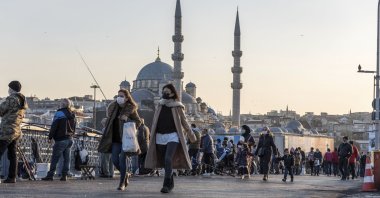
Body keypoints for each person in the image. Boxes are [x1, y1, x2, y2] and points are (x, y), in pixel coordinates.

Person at [145, 84, 196, 193]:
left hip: (173, 136)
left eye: (167, 92)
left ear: (172, 93)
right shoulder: (159, 105)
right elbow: (155, 121)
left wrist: (191, 135)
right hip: (159, 136)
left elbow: (184, 122)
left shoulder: (177, 106)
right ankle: (171, 183)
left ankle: (166, 184)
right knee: (165, 162)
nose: (165, 94)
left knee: (168, 159)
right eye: (164, 91)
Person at [98, 89, 142, 191]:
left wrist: (128, 119)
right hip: (115, 138)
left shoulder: (131, 108)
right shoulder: (114, 108)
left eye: (122, 96)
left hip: (126, 139)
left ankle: (122, 183)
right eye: (118, 96)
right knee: (114, 159)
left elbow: (138, 122)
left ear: (127, 98)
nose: (119, 98)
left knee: (122, 159)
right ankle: (125, 173)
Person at [0, 81, 27, 183]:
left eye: (9, 88)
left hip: (7, 130)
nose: (8, 90)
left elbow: (1, 110)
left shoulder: (12, 98)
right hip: (16, 130)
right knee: (13, 155)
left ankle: (11, 177)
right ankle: (12, 177)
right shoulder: (22, 100)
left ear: (11, 89)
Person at [42, 98, 75, 181]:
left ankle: (50, 175)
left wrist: (50, 137)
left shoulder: (59, 113)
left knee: (55, 158)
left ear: (62, 105)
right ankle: (64, 175)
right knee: (67, 158)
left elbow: (54, 126)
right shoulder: (72, 114)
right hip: (70, 139)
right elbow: (74, 127)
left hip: (61, 139)